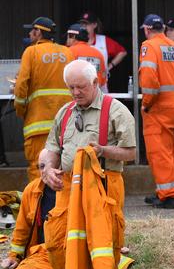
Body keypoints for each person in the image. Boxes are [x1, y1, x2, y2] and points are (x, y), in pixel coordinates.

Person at [41, 59, 136, 269]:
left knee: (102, 252)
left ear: (96, 83)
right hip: (69, 188)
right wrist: (47, 170)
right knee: (60, 246)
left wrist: (104, 149)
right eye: (70, 87)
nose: (75, 93)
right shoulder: (65, 112)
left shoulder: (116, 111)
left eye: (80, 87)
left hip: (103, 188)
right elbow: (51, 148)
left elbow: (131, 152)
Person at [0, 149, 64, 269]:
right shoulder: (32, 190)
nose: (43, 171)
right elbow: (22, 228)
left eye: (47, 166)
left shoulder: (77, 189)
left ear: (60, 165)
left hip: (71, 252)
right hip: (42, 252)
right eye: (40, 167)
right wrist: (15, 255)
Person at [14, 17, 73, 181]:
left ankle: (39, 206)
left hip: (38, 123)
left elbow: (21, 86)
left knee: (38, 167)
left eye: (32, 30)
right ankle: (62, 205)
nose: (29, 33)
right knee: (64, 166)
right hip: (65, 124)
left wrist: (21, 110)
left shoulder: (31, 52)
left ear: (38, 32)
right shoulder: (67, 52)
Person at [139, 14, 174, 209]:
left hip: (159, 107)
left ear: (147, 29)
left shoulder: (148, 46)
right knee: (172, 152)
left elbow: (149, 79)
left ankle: (167, 195)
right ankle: (167, 190)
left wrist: (147, 103)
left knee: (158, 153)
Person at [78, 11, 127, 87]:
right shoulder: (76, 41)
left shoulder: (103, 40)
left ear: (94, 25)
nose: (84, 26)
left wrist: (110, 66)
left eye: (87, 24)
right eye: (82, 24)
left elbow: (122, 52)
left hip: (101, 87)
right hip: (80, 85)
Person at [66, 23, 107, 90]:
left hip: (77, 95)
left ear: (72, 36)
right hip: (94, 95)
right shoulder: (98, 53)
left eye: (67, 36)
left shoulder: (68, 52)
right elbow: (103, 79)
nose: (66, 40)